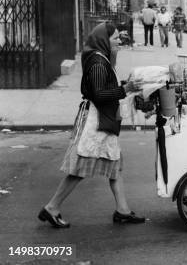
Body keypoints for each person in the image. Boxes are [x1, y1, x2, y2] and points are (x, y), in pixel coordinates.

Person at [38, 22, 144, 228]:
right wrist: (125, 89)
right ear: (104, 40)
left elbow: (104, 87)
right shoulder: (97, 62)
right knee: (80, 168)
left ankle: (122, 210)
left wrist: (123, 86)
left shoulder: (102, 58)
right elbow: (99, 95)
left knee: (115, 164)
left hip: (103, 119)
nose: (118, 42)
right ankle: (51, 207)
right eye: (114, 39)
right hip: (95, 122)